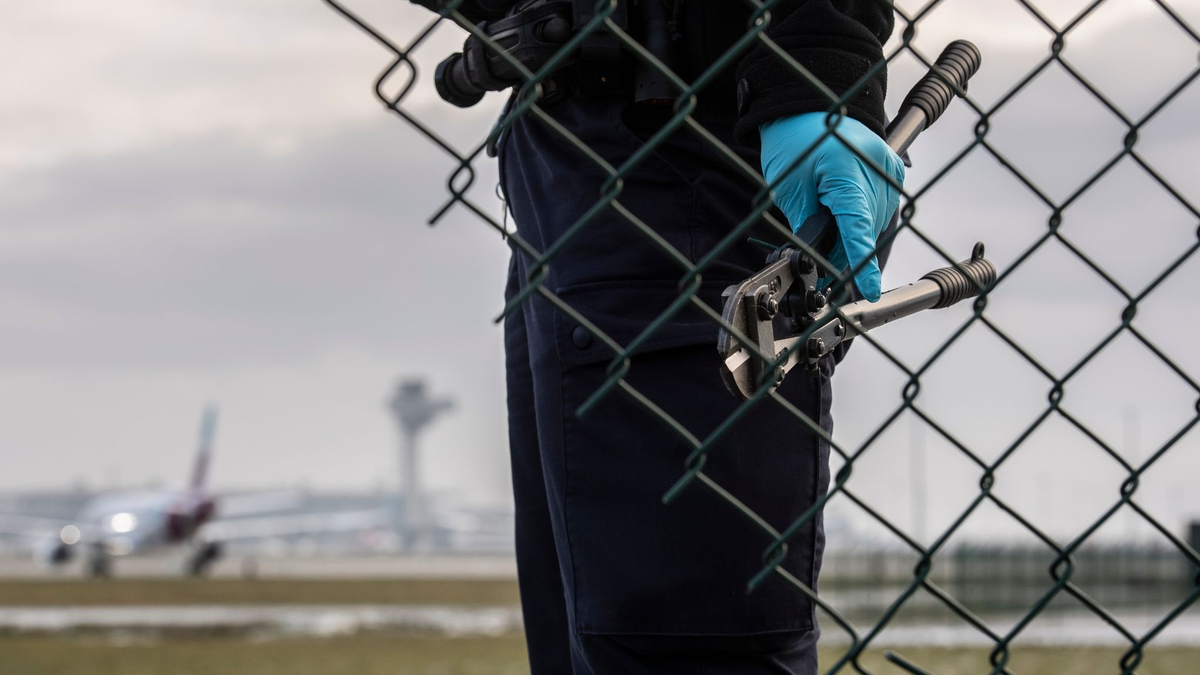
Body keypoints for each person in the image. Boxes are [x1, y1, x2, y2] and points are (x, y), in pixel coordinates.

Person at [416, 2, 904, 673]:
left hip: (694, 142)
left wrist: (820, 64)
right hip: (564, 161)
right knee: (598, 639)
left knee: (682, 644)